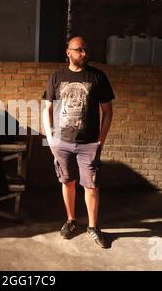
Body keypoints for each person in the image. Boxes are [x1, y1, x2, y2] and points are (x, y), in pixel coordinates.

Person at [42, 36, 114, 248]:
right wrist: (50, 138)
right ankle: (71, 220)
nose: (84, 54)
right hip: (62, 142)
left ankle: (93, 226)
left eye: (85, 50)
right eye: (79, 50)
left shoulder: (97, 77)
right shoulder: (57, 77)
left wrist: (100, 141)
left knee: (91, 186)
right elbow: (46, 108)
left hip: (88, 144)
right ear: (68, 52)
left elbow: (108, 111)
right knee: (67, 182)